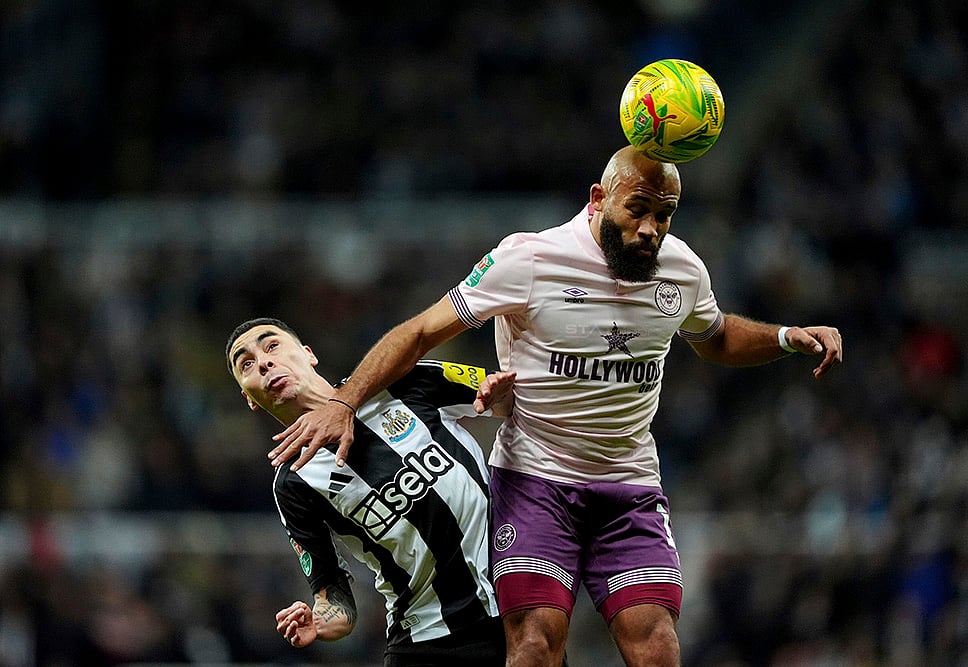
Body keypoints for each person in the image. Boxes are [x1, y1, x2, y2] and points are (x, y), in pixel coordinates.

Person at [266, 146, 844, 667]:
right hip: (534, 481)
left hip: (629, 483)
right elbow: (419, 333)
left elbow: (714, 337)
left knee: (657, 644)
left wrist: (787, 336)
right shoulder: (529, 260)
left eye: (663, 216)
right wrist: (346, 401)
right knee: (537, 640)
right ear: (598, 199)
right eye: (637, 209)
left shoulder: (682, 269)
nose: (649, 229)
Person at [226, 317, 516, 666]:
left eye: (272, 346)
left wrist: (500, 392)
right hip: (428, 644)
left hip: (519, 610)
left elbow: (509, 401)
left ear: (308, 354)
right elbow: (333, 595)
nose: (264, 362)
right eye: (247, 364)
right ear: (250, 398)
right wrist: (320, 621)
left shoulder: (400, 380)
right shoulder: (295, 482)